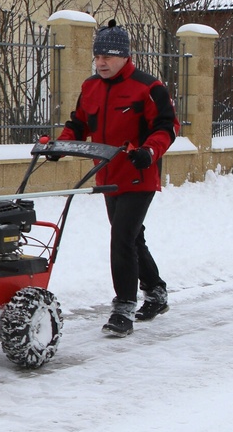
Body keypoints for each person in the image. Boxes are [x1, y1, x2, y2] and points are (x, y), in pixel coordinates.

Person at [56, 20, 179, 337]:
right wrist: (59, 145)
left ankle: (123, 308)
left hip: (139, 176)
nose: (101, 63)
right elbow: (79, 125)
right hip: (107, 177)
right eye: (97, 56)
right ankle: (156, 291)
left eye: (108, 56)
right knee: (132, 237)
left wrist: (150, 151)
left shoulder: (149, 88)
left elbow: (167, 128)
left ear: (125, 56)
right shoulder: (90, 87)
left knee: (122, 238)